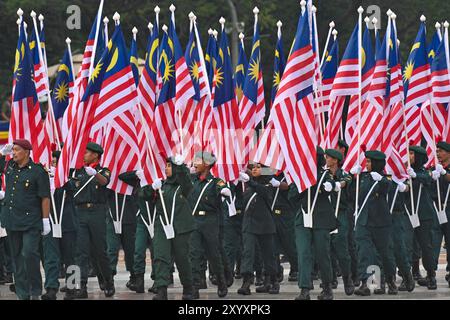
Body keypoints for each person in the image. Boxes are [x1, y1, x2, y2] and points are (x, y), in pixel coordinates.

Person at [0, 140, 51, 300]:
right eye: (13, 150)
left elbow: (45, 197)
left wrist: (45, 220)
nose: (13, 153)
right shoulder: (10, 169)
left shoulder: (37, 171)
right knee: (17, 258)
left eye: (17, 150)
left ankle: (35, 290)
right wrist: (2, 154)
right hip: (12, 220)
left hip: (31, 221)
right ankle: (23, 293)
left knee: (29, 254)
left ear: (27, 152)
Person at [64, 142, 115, 299]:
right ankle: (79, 287)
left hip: (97, 212)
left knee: (100, 251)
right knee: (80, 251)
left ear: (95, 155)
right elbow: (69, 187)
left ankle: (108, 281)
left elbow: (104, 182)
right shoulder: (78, 171)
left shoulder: (102, 170)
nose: (83, 155)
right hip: (79, 212)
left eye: (86, 153)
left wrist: (94, 174)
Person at [141, 156, 195, 300]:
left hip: (181, 227)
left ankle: (188, 288)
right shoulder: (161, 185)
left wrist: (182, 165)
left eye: (169, 166)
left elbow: (187, 181)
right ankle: (161, 289)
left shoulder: (183, 186)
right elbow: (143, 195)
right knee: (160, 257)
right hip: (162, 226)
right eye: (166, 166)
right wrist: (152, 187)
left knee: (182, 259)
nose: (166, 168)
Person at [289, 147, 337, 300]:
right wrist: (304, 185)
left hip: (320, 219)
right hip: (303, 218)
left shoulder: (325, 175)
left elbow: (330, 186)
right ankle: (305, 289)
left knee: (323, 254)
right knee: (303, 253)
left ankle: (327, 287)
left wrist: (328, 186)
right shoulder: (300, 176)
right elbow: (292, 196)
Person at [352, 151, 397, 296]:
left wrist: (381, 181)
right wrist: (354, 179)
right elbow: (353, 195)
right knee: (365, 252)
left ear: (377, 163)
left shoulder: (385, 177)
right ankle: (367, 283)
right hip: (364, 221)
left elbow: (388, 188)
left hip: (381, 222)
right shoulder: (363, 177)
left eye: (369, 162)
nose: (366, 165)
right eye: (366, 162)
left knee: (384, 254)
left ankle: (390, 280)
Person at [189, 152, 233, 299]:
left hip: (210, 222)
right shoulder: (192, 180)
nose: (194, 163)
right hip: (194, 222)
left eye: (198, 160)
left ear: (207, 164)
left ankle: (221, 282)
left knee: (213, 255)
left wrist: (225, 191)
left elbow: (222, 188)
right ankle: (194, 287)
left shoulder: (215, 182)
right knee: (194, 255)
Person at [237, 163, 279, 296]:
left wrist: (250, 181)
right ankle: (246, 281)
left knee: (268, 254)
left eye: (258, 167)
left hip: (265, 224)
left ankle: (272, 281)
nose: (254, 169)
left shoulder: (268, 184)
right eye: (253, 167)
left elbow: (264, 192)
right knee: (248, 252)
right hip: (249, 223)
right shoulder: (248, 185)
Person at [41, 150, 78, 300]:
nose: (53, 165)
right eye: (52, 163)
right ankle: (51, 288)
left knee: (70, 257)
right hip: (49, 221)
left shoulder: (69, 176)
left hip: (67, 222)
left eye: (56, 163)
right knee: (50, 257)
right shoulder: (42, 178)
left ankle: (71, 287)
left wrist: (60, 177)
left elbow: (74, 189)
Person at [118, 170, 155, 294]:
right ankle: (139, 281)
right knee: (138, 250)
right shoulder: (138, 179)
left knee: (157, 252)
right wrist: (138, 172)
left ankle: (158, 281)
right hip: (142, 218)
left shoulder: (157, 173)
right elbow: (122, 177)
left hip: (156, 218)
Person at [326, 149, 355, 295]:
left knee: (342, 249)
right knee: (327, 248)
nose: (326, 159)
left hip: (340, 214)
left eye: (329, 157)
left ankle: (347, 279)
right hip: (326, 214)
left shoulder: (344, 174)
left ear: (336, 160)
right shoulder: (323, 174)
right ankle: (331, 279)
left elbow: (347, 181)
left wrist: (338, 184)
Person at [106, 188, 137, 289]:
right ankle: (109, 279)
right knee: (112, 248)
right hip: (112, 215)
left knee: (130, 249)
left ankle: (134, 276)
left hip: (129, 213)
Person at [270, 172, 298, 283]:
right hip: (271, 209)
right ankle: (276, 269)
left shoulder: (289, 170)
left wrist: (278, 184)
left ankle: (295, 268)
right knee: (273, 243)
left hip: (286, 211)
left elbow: (290, 185)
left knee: (289, 242)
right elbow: (259, 173)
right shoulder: (269, 170)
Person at [434, 141, 450, 287]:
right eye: (437, 151)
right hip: (437, 208)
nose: (438, 154)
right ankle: (430, 274)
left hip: (449, 207)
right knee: (432, 242)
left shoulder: (445, 170)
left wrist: (445, 173)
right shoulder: (436, 168)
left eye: (440, 151)